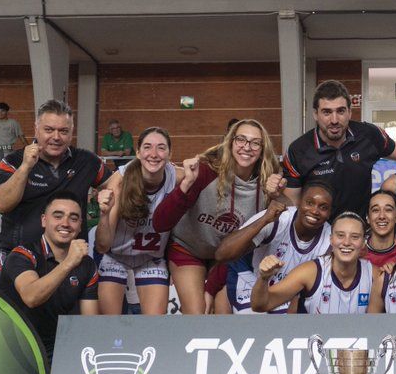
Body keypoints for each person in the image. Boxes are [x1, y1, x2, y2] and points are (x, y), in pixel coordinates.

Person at [152, 118, 279, 314]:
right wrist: (186, 186)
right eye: (241, 140)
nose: (247, 147)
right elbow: (160, 223)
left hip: (226, 257)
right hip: (189, 248)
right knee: (196, 313)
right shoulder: (206, 172)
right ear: (230, 142)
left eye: (255, 143)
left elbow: (235, 249)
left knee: (223, 314)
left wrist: (211, 289)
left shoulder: (266, 184)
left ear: (263, 149)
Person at [0, 99, 112, 262]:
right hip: (19, 260)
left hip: (71, 261)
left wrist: (108, 206)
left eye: (63, 131)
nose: (56, 137)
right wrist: (25, 167)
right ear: (36, 129)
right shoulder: (13, 161)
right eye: (49, 130)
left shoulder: (86, 161)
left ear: (72, 132)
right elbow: (2, 204)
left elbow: (117, 184)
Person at [276, 80, 396, 218]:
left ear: (350, 112)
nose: (334, 120)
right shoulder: (298, 150)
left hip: (360, 230)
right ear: (315, 114)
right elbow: (292, 208)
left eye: (340, 111)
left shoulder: (369, 134)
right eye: (327, 112)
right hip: (319, 234)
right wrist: (276, 195)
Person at [0, 192, 99, 358]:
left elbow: (89, 323)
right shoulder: (22, 255)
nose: (65, 223)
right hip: (14, 349)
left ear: (80, 225)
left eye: (73, 218)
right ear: (44, 220)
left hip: (58, 347)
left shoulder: (87, 265)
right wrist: (68, 263)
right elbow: (31, 297)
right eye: (58, 216)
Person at [94, 127, 181, 315]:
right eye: (148, 147)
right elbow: (102, 245)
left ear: (170, 153)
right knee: (110, 326)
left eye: (161, 148)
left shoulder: (178, 176)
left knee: (154, 326)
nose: (154, 154)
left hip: (150, 257)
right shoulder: (119, 182)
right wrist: (103, 214)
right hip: (114, 254)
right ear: (138, 152)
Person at [217, 182, 333, 313]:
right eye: (309, 203)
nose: (314, 211)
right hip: (252, 277)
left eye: (323, 207)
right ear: (299, 202)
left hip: (288, 291)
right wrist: (264, 219)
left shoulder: (330, 240)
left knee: (286, 326)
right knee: (255, 323)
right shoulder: (278, 218)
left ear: (329, 213)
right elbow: (221, 254)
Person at [252, 211, 373, 313]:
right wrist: (263, 279)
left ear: (363, 242)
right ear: (331, 239)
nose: (346, 242)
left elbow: (377, 326)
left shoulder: (374, 275)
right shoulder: (310, 272)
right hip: (315, 339)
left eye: (355, 237)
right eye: (340, 235)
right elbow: (260, 305)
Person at [364, 189, 396, 267]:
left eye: (388, 210)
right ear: (367, 217)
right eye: (375, 210)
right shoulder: (357, 250)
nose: (382, 216)